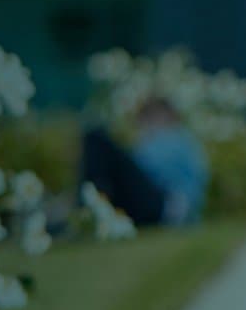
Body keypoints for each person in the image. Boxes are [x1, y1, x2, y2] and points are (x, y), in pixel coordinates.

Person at [80, 95, 208, 231]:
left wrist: (183, 209)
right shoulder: (145, 143)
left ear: (170, 115)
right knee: (97, 146)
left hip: (165, 205)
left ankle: (87, 207)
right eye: (148, 116)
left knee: (96, 138)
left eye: (155, 115)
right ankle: (89, 208)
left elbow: (198, 178)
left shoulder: (180, 139)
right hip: (143, 202)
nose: (151, 121)